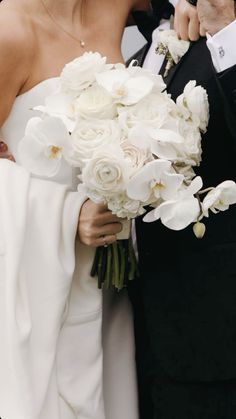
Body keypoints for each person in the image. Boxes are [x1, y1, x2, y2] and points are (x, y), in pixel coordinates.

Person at [0, 1, 150, 418]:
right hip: (39, 280)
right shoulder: (8, 30)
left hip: (111, 281)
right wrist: (65, 214)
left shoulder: (116, 6)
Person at [130, 0, 236, 418]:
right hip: (141, 330)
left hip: (220, 336)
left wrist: (227, 30)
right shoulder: (143, 43)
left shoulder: (220, 25)